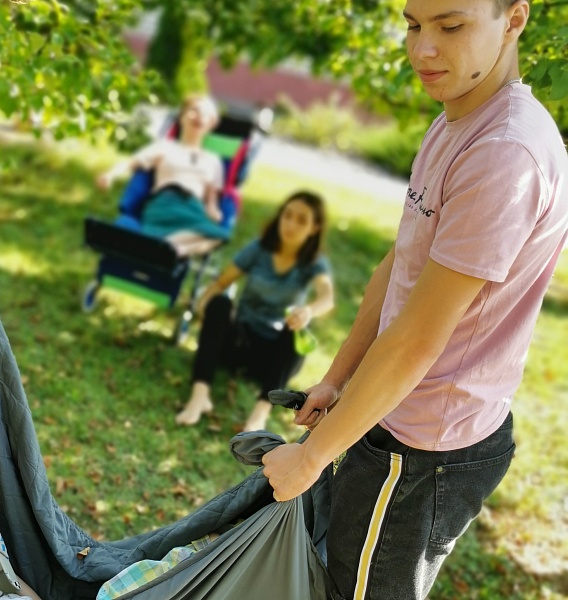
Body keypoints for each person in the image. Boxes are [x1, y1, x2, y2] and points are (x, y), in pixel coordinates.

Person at [261, 1, 568, 599]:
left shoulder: (505, 153)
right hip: (391, 411)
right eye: (413, 24)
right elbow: (400, 264)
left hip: (425, 447)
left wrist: (311, 459)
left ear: (514, 19)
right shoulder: (457, 115)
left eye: (450, 27)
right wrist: (338, 378)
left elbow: (419, 337)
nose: (422, 49)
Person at [175, 191, 335, 431]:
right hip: (237, 343)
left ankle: (259, 415)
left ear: (314, 228)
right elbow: (220, 284)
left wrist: (308, 311)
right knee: (220, 303)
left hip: (271, 359)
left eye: (301, 220)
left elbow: (327, 297)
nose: (291, 224)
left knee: (298, 329)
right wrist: (203, 304)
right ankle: (200, 395)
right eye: (287, 215)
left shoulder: (313, 262)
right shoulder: (259, 249)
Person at [96, 95, 229, 257]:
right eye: (194, 110)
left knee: (220, 237)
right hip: (165, 202)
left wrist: (214, 212)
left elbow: (211, 201)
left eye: (206, 114)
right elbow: (131, 162)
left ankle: (174, 250)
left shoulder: (214, 161)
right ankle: (167, 246)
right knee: (203, 235)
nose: (200, 116)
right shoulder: (164, 147)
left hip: (193, 209)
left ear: (211, 124)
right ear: (182, 116)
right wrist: (111, 175)